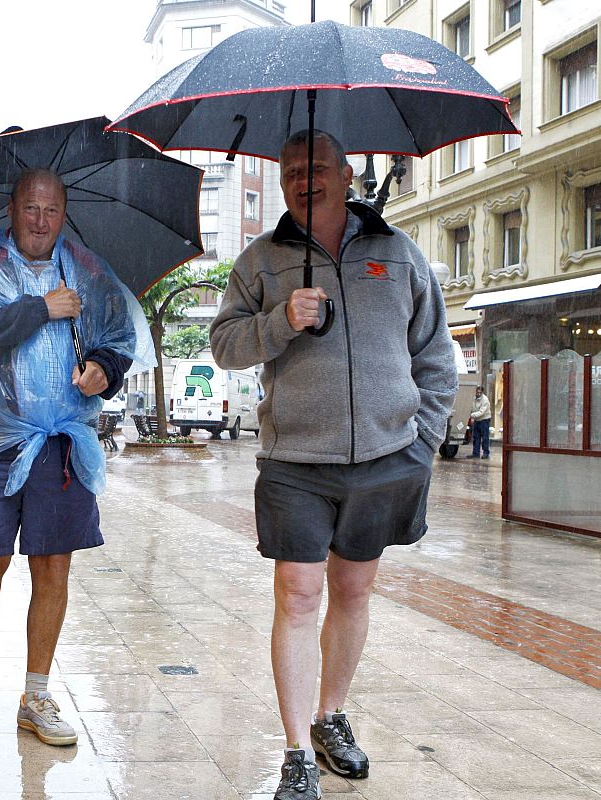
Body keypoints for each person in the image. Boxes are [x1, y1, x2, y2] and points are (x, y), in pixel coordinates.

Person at [210, 130, 457, 799]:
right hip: (294, 459)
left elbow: (434, 353)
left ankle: (329, 717)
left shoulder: (396, 252)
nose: (302, 178)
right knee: (298, 593)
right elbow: (225, 345)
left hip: (385, 457)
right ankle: (294, 749)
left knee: (351, 593)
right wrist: (281, 320)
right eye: (291, 169)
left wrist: (422, 437)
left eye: (316, 167)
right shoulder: (260, 259)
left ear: (346, 175)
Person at [0, 168, 152, 746]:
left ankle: (36, 694)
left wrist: (104, 368)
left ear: (64, 211)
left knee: (52, 566)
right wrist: (38, 308)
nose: (40, 221)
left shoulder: (86, 269)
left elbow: (115, 338)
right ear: (11, 207)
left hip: (62, 442)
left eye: (51, 211)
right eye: (30, 208)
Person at [468, 385, 491, 459]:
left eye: (480, 392)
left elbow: (482, 412)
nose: (478, 394)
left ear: (482, 392)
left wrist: (472, 415)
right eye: (477, 392)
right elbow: (471, 407)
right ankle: (476, 453)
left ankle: (486, 453)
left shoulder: (485, 400)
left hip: (484, 420)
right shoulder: (473, 398)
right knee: (476, 437)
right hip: (477, 420)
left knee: (485, 437)